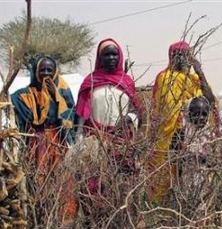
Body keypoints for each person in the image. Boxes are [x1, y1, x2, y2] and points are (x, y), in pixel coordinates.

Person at [75, 38, 143, 225]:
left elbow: (137, 110)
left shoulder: (126, 81)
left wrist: (129, 119)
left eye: (115, 54)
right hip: (96, 143)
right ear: (99, 57)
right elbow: (81, 114)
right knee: (95, 188)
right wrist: (80, 141)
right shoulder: (90, 81)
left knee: (123, 187)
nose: (111, 58)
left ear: (120, 56)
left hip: (122, 142)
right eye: (107, 54)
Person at [148, 40, 218, 205]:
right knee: (165, 181)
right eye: (176, 55)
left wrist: (200, 72)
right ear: (170, 58)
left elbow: (210, 102)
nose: (180, 59)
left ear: (191, 57)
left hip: (196, 139)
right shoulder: (165, 78)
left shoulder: (196, 79)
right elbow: (163, 109)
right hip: (168, 139)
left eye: (184, 55)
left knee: (196, 187)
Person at [11, 55, 77, 225]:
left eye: (50, 70)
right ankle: (38, 217)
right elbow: (12, 101)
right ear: (35, 72)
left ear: (55, 72)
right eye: (42, 70)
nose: (46, 73)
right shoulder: (25, 95)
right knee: (37, 179)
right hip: (36, 142)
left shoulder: (62, 94)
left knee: (61, 179)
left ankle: (61, 220)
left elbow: (71, 114)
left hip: (57, 141)